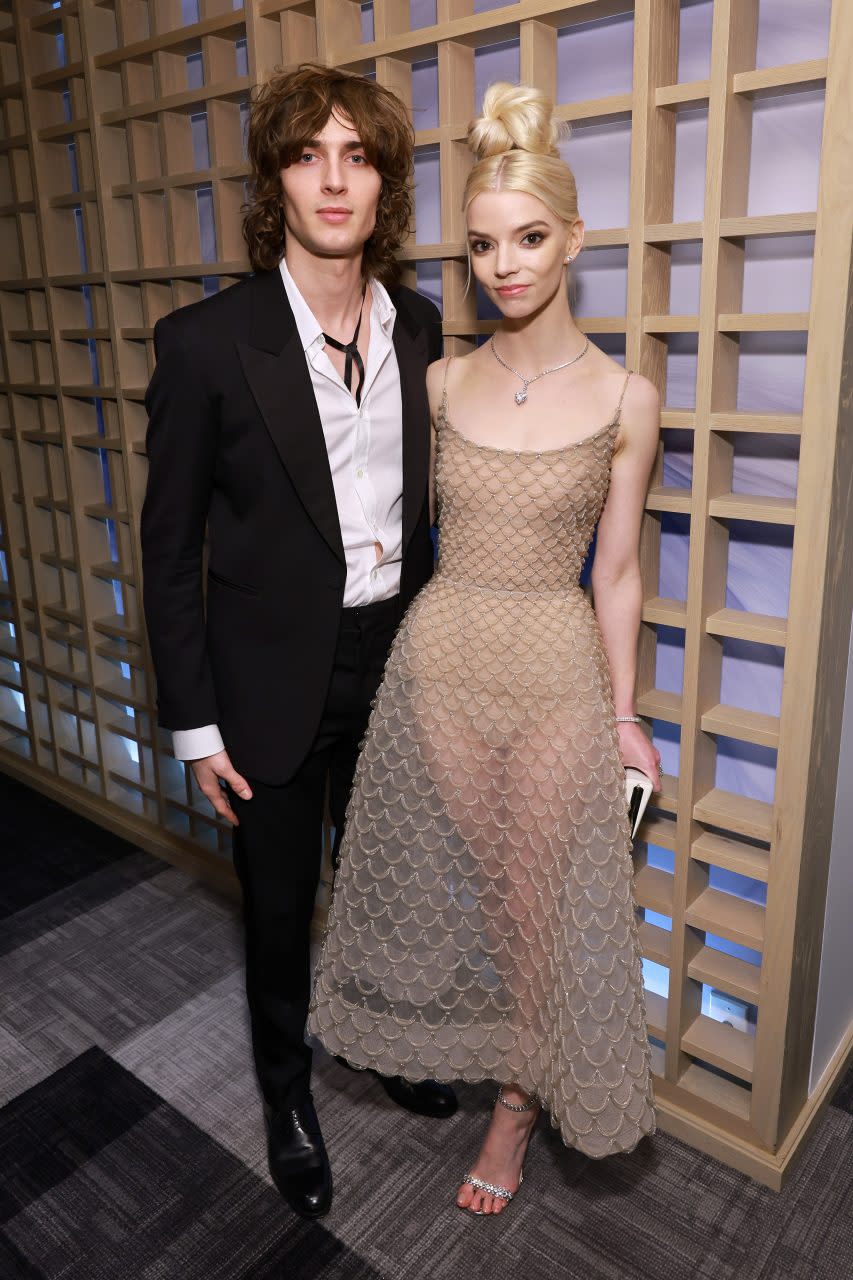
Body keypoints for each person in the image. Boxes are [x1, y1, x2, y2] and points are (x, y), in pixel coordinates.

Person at [309, 81, 661, 1215]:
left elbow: (613, 570)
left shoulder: (625, 395)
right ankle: (502, 1075)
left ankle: (514, 1109)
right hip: (443, 663)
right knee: (483, 893)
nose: (503, 265)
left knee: (534, 899)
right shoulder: (440, 379)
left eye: (527, 238)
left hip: (556, 671)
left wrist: (623, 710)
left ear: (572, 238)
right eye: (480, 245)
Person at [140, 62, 457, 1222]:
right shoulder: (206, 343)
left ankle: (380, 1042)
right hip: (267, 685)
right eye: (308, 155)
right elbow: (168, 551)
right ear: (276, 182)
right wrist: (192, 721)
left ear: (385, 186)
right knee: (277, 911)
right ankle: (286, 1095)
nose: (334, 178)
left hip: (394, 663)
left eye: (357, 156)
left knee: (386, 883)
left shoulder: (420, 328)